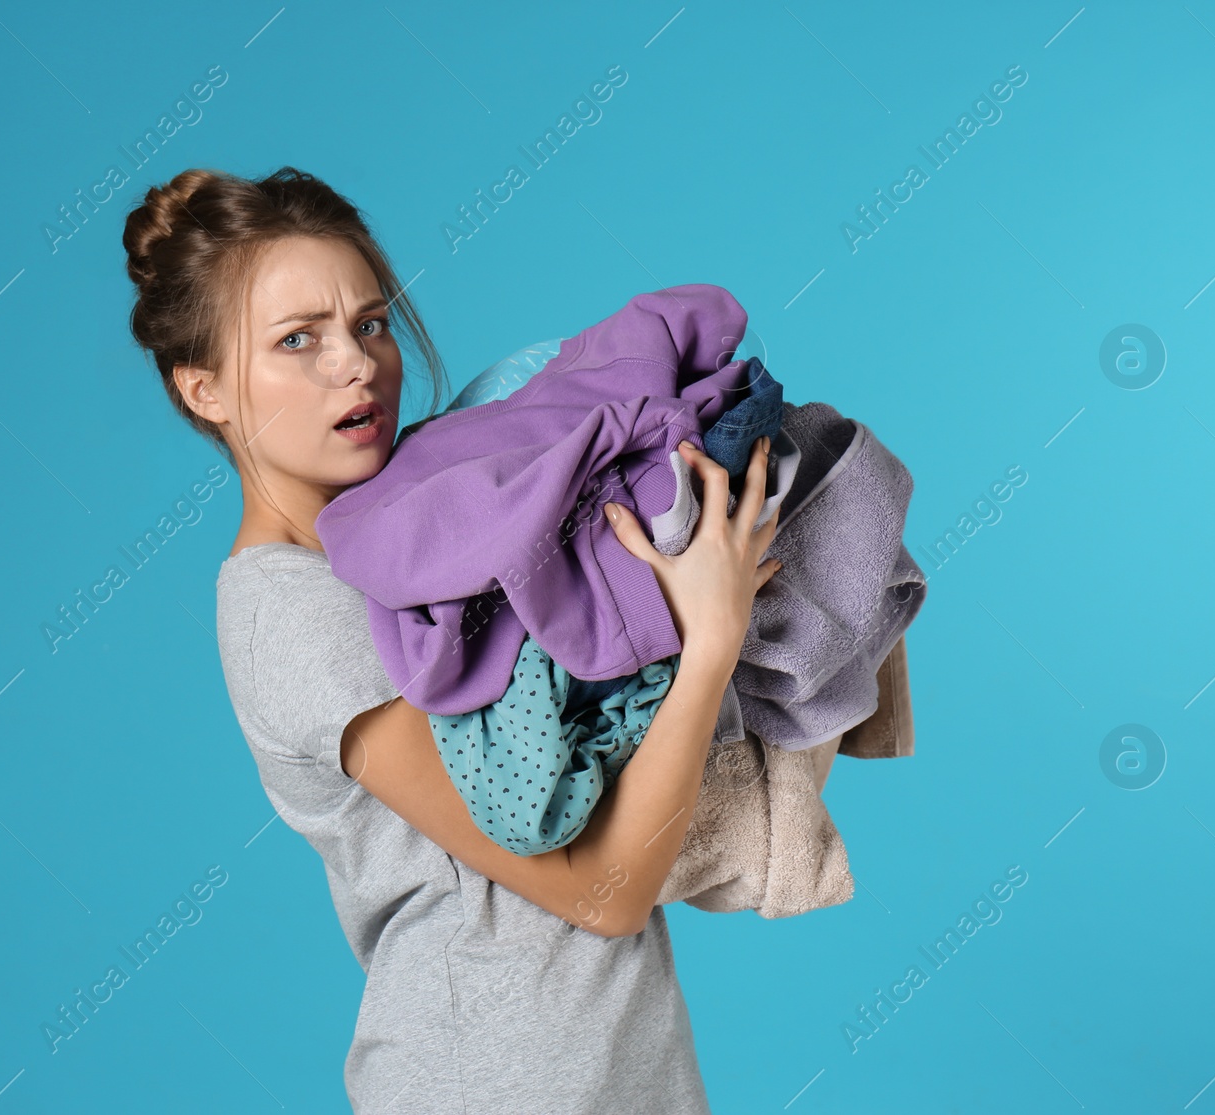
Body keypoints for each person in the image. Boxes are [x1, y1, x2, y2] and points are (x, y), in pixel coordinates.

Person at [122, 165, 782, 1113]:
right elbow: (600, 894)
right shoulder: (293, 611)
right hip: (491, 1080)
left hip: (628, 1068)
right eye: (296, 341)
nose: (354, 364)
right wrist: (710, 639)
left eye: (370, 323)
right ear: (206, 390)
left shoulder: (448, 514)